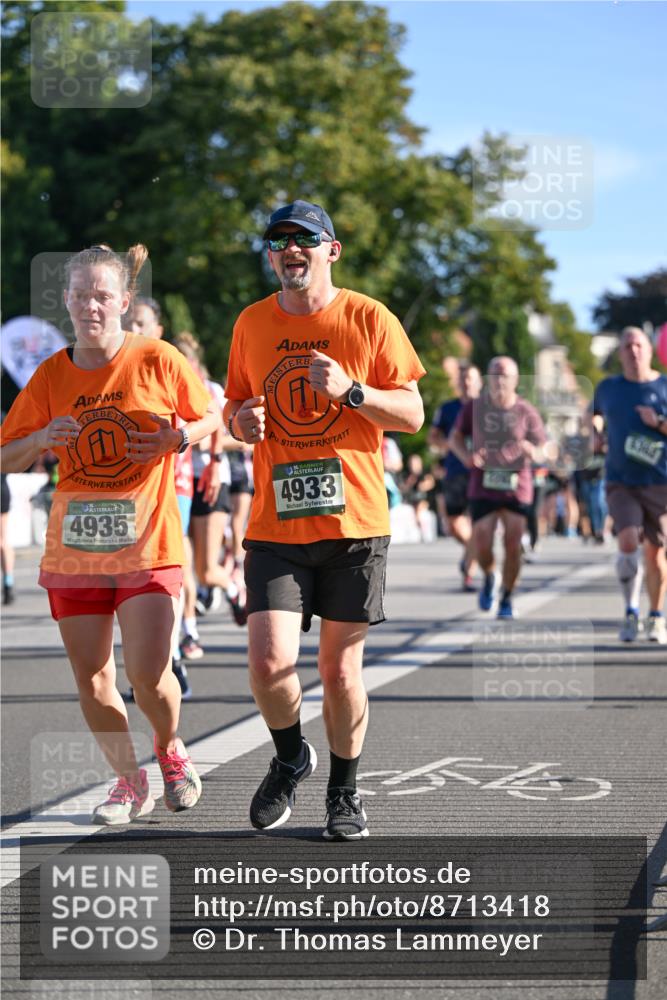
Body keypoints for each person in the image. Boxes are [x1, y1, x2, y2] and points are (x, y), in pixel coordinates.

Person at [223, 200, 425, 840]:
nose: (289, 249)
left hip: (354, 524)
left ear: (330, 250)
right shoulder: (251, 323)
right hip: (276, 526)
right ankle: (291, 756)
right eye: (278, 240)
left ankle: (345, 791)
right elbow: (233, 404)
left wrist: (352, 393)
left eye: (303, 238)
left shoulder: (369, 318)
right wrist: (238, 423)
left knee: (339, 673)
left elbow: (413, 415)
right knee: (267, 663)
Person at [0, 244, 220, 823]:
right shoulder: (51, 374)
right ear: (66, 301)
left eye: (102, 296)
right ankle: (129, 781)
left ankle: (170, 748)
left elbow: (212, 415)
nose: (90, 306)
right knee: (94, 681)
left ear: (123, 301)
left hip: (148, 543)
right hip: (76, 553)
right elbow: (6, 456)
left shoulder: (157, 358)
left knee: (148, 676)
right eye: (80, 296)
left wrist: (180, 440)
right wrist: (43, 437)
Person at [449, 356, 547, 619]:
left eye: (505, 375)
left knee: (513, 543)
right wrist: (466, 457)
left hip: (517, 485)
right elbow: (455, 437)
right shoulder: (474, 407)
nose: (499, 380)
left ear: (515, 380)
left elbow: (546, 447)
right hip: (483, 483)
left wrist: (533, 451)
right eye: (494, 374)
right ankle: (490, 575)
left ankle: (506, 595)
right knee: (482, 542)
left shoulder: (526, 411)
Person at [593, 326, 667, 644]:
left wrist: (659, 423)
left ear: (649, 350)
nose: (633, 351)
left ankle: (656, 616)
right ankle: (630, 611)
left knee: (656, 554)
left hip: (659, 482)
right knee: (627, 541)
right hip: (621, 480)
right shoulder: (608, 387)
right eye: (626, 346)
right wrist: (596, 433)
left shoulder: (664, 386)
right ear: (620, 353)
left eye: (638, 345)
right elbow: (594, 414)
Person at [428, 364, 483, 590]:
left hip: (481, 474)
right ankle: (473, 548)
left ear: (479, 382)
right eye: (462, 379)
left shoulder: (488, 407)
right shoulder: (448, 408)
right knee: (453, 525)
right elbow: (433, 437)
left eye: (470, 378)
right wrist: (448, 446)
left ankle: (468, 572)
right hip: (454, 471)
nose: (466, 383)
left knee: (480, 523)